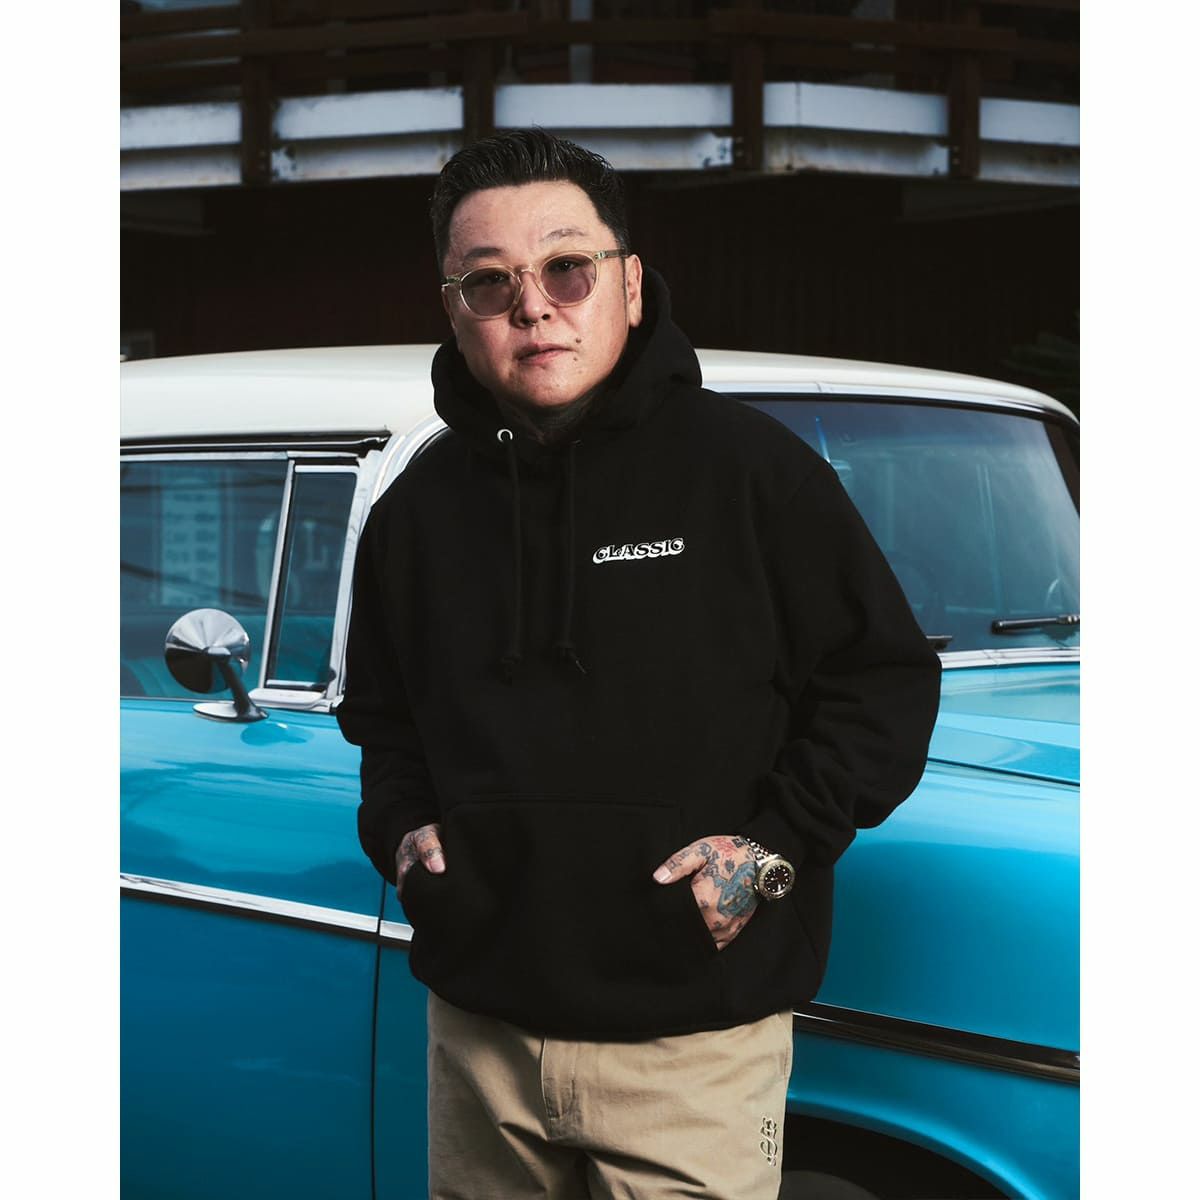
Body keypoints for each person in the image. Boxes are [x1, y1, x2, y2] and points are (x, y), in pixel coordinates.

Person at [336, 128, 941, 1200]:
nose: (534, 307)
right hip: (478, 1031)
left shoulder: (754, 475)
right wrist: (403, 831)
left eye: (567, 269)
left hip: (695, 1044)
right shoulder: (415, 512)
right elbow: (382, 719)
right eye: (491, 282)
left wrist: (771, 849)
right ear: (455, 310)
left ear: (626, 282)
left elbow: (882, 684)